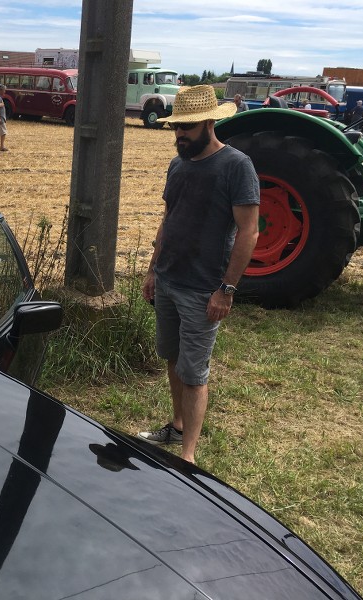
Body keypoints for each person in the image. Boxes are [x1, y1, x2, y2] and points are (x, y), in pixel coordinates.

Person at [139, 85, 260, 464]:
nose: (179, 135)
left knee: (194, 372)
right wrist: (152, 269)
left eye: (187, 128)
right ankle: (176, 428)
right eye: (177, 128)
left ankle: (187, 458)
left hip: (202, 288)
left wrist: (226, 289)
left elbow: (249, 231)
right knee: (173, 358)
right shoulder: (178, 164)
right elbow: (168, 218)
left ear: (209, 123)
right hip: (168, 279)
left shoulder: (236, 166)